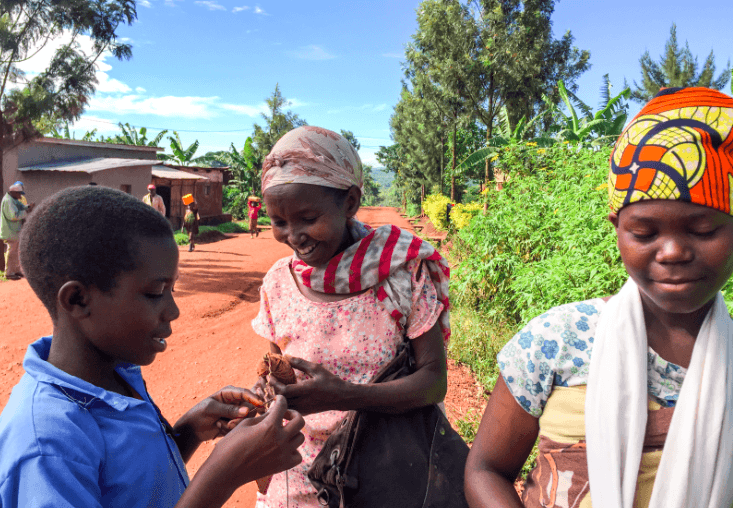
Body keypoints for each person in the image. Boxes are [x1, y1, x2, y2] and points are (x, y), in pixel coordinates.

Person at [464, 87, 733, 508]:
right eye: (645, 233)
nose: (673, 252)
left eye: (703, 231)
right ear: (618, 228)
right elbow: (486, 470)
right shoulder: (558, 340)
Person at [0, 186, 305, 508]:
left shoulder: (112, 376)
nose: (173, 310)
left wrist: (186, 434)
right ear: (78, 300)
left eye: (172, 289)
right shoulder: (47, 444)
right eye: (155, 292)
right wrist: (223, 475)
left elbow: (127, 487)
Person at [251, 126, 452, 507]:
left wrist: (345, 396)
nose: (294, 235)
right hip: (300, 475)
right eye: (279, 222)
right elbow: (276, 370)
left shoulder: (401, 273)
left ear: (350, 202)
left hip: (387, 472)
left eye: (307, 217)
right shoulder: (278, 282)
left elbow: (433, 382)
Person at [1, 182, 33, 280]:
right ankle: (9, 273)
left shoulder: (13, 199)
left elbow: (21, 206)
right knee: (11, 251)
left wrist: (27, 207)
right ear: (13, 192)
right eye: (19, 194)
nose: (20, 196)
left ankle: (16, 270)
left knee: (16, 252)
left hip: (14, 231)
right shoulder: (8, 201)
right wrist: (26, 212)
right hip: (9, 231)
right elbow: (13, 216)